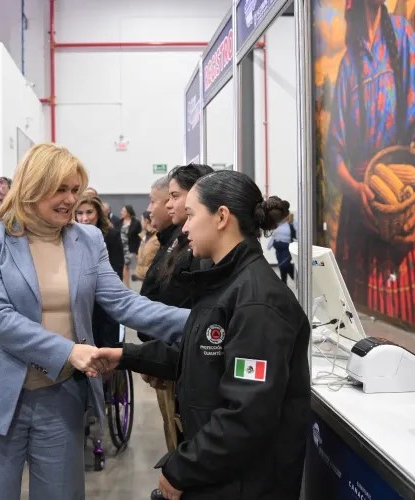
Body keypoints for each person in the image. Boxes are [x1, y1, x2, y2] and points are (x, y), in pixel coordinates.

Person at [0, 143, 189, 500]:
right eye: (61, 189)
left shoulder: (88, 238)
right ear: (33, 186)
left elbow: (122, 302)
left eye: (75, 190)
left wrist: (200, 322)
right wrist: (68, 351)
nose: (71, 200)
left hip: (61, 392)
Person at [93, 170, 311, 500]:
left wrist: (183, 468)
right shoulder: (223, 285)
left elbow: (247, 413)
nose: (184, 227)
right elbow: (202, 353)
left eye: (192, 215)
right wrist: (125, 356)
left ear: (221, 217)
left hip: (244, 486)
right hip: (219, 475)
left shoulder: (258, 302)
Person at [328, 0, 415, 331]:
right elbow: (334, 151)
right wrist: (355, 188)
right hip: (360, 211)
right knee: (363, 328)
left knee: (407, 330)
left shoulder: (402, 36)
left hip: (402, 199)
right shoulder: (348, 64)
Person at [138, 165, 213, 454]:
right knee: (175, 440)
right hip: (169, 358)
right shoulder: (176, 242)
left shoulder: (196, 251)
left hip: (179, 361)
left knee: (184, 444)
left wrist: (160, 357)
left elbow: (189, 310)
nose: (168, 205)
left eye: (175, 196)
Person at [75, 194, 125, 347]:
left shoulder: (111, 235)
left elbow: (117, 270)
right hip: (80, 304)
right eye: (80, 213)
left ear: (98, 213)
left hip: (105, 304)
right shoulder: (69, 237)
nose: (85, 218)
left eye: (89, 212)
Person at [267, 212, 297, 283]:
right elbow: (274, 237)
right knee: (282, 265)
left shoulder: (291, 225)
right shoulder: (278, 225)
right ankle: (285, 282)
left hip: (286, 248)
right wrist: (269, 246)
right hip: (279, 248)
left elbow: (296, 236)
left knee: (284, 264)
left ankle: (294, 278)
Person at [119, 204, 141, 287]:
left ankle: (128, 286)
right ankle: (126, 286)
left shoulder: (136, 222)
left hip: (130, 247)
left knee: (126, 265)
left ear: (128, 212)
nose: (121, 212)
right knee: (125, 267)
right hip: (121, 247)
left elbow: (139, 235)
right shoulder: (120, 221)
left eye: (123, 211)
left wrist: (138, 250)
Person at [135, 211, 159, 281]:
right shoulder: (143, 236)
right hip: (142, 276)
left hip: (152, 277)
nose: (141, 222)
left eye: (141, 220)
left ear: (146, 221)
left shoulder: (158, 236)